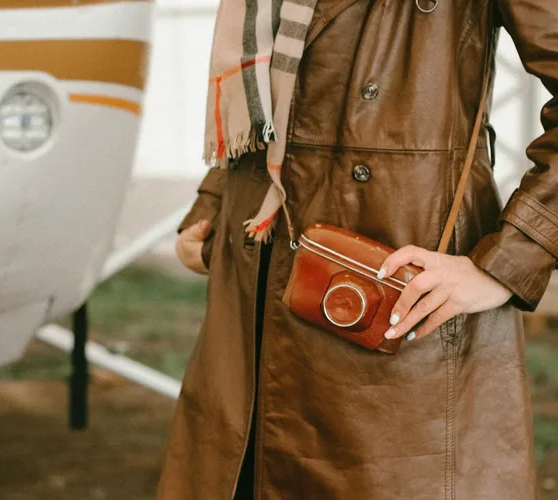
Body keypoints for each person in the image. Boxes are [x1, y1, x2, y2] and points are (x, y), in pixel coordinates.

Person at [157, 0, 558, 498]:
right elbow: (271, 98)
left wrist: (507, 261)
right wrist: (213, 207)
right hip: (251, 306)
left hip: (396, 311)